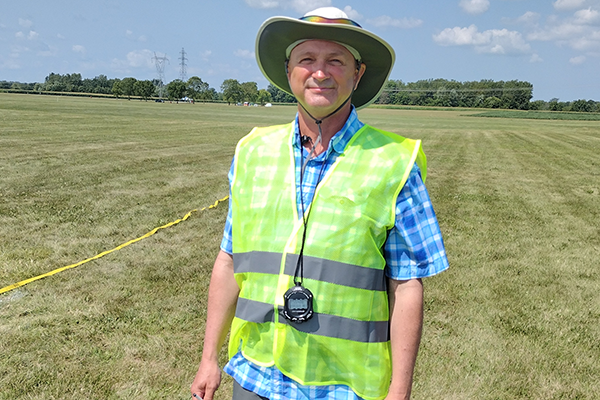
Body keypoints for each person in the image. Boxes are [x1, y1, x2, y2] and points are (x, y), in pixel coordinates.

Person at [191, 7, 449, 400]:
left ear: (358, 74)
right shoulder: (252, 151)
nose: (320, 72)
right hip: (257, 376)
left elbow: (407, 286)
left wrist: (400, 392)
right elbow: (229, 260)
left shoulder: (395, 162)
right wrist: (210, 358)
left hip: (345, 387)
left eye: (336, 61)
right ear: (288, 70)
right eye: (307, 59)